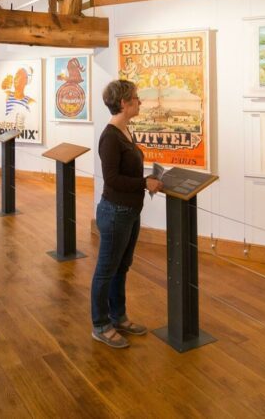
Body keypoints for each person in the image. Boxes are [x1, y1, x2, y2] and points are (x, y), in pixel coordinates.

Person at [90, 79, 163, 349]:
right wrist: (144, 182)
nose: (140, 101)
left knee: (122, 266)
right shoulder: (110, 137)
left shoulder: (125, 131)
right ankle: (100, 324)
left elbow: (125, 174)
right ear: (123, 103)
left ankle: (118, 316)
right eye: (136, 97)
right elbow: (112, 179)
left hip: (130, 211)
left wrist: (144, 181)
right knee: (105, 271)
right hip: (115, 212)